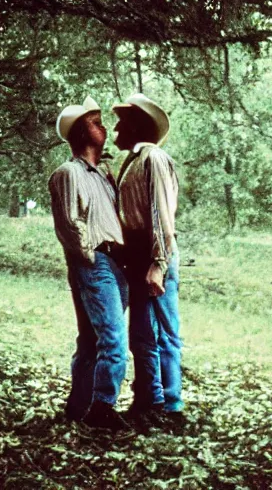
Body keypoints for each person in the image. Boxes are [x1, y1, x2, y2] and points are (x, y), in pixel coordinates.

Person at [49, 96, 130, 432]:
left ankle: (77, 407)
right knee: (113, 340)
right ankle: (101, 408)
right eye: (97, 122)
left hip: (114, 264)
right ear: (83, 131)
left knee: (91, 339)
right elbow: (69, 222)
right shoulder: (68, 173)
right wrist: (89, 256)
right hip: (95, 262)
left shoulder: (103, 174)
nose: (105, 128)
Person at [112, 93, 184, 427]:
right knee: (140, 332)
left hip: (156, 251)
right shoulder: (132, 160)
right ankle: (148, 400)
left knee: (166, 330)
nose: (115, 127)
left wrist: (160, 262)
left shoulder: (153, 157)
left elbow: (161, 214)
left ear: (137, 126)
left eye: (122, 121)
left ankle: (172, 405)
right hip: (138, 253)